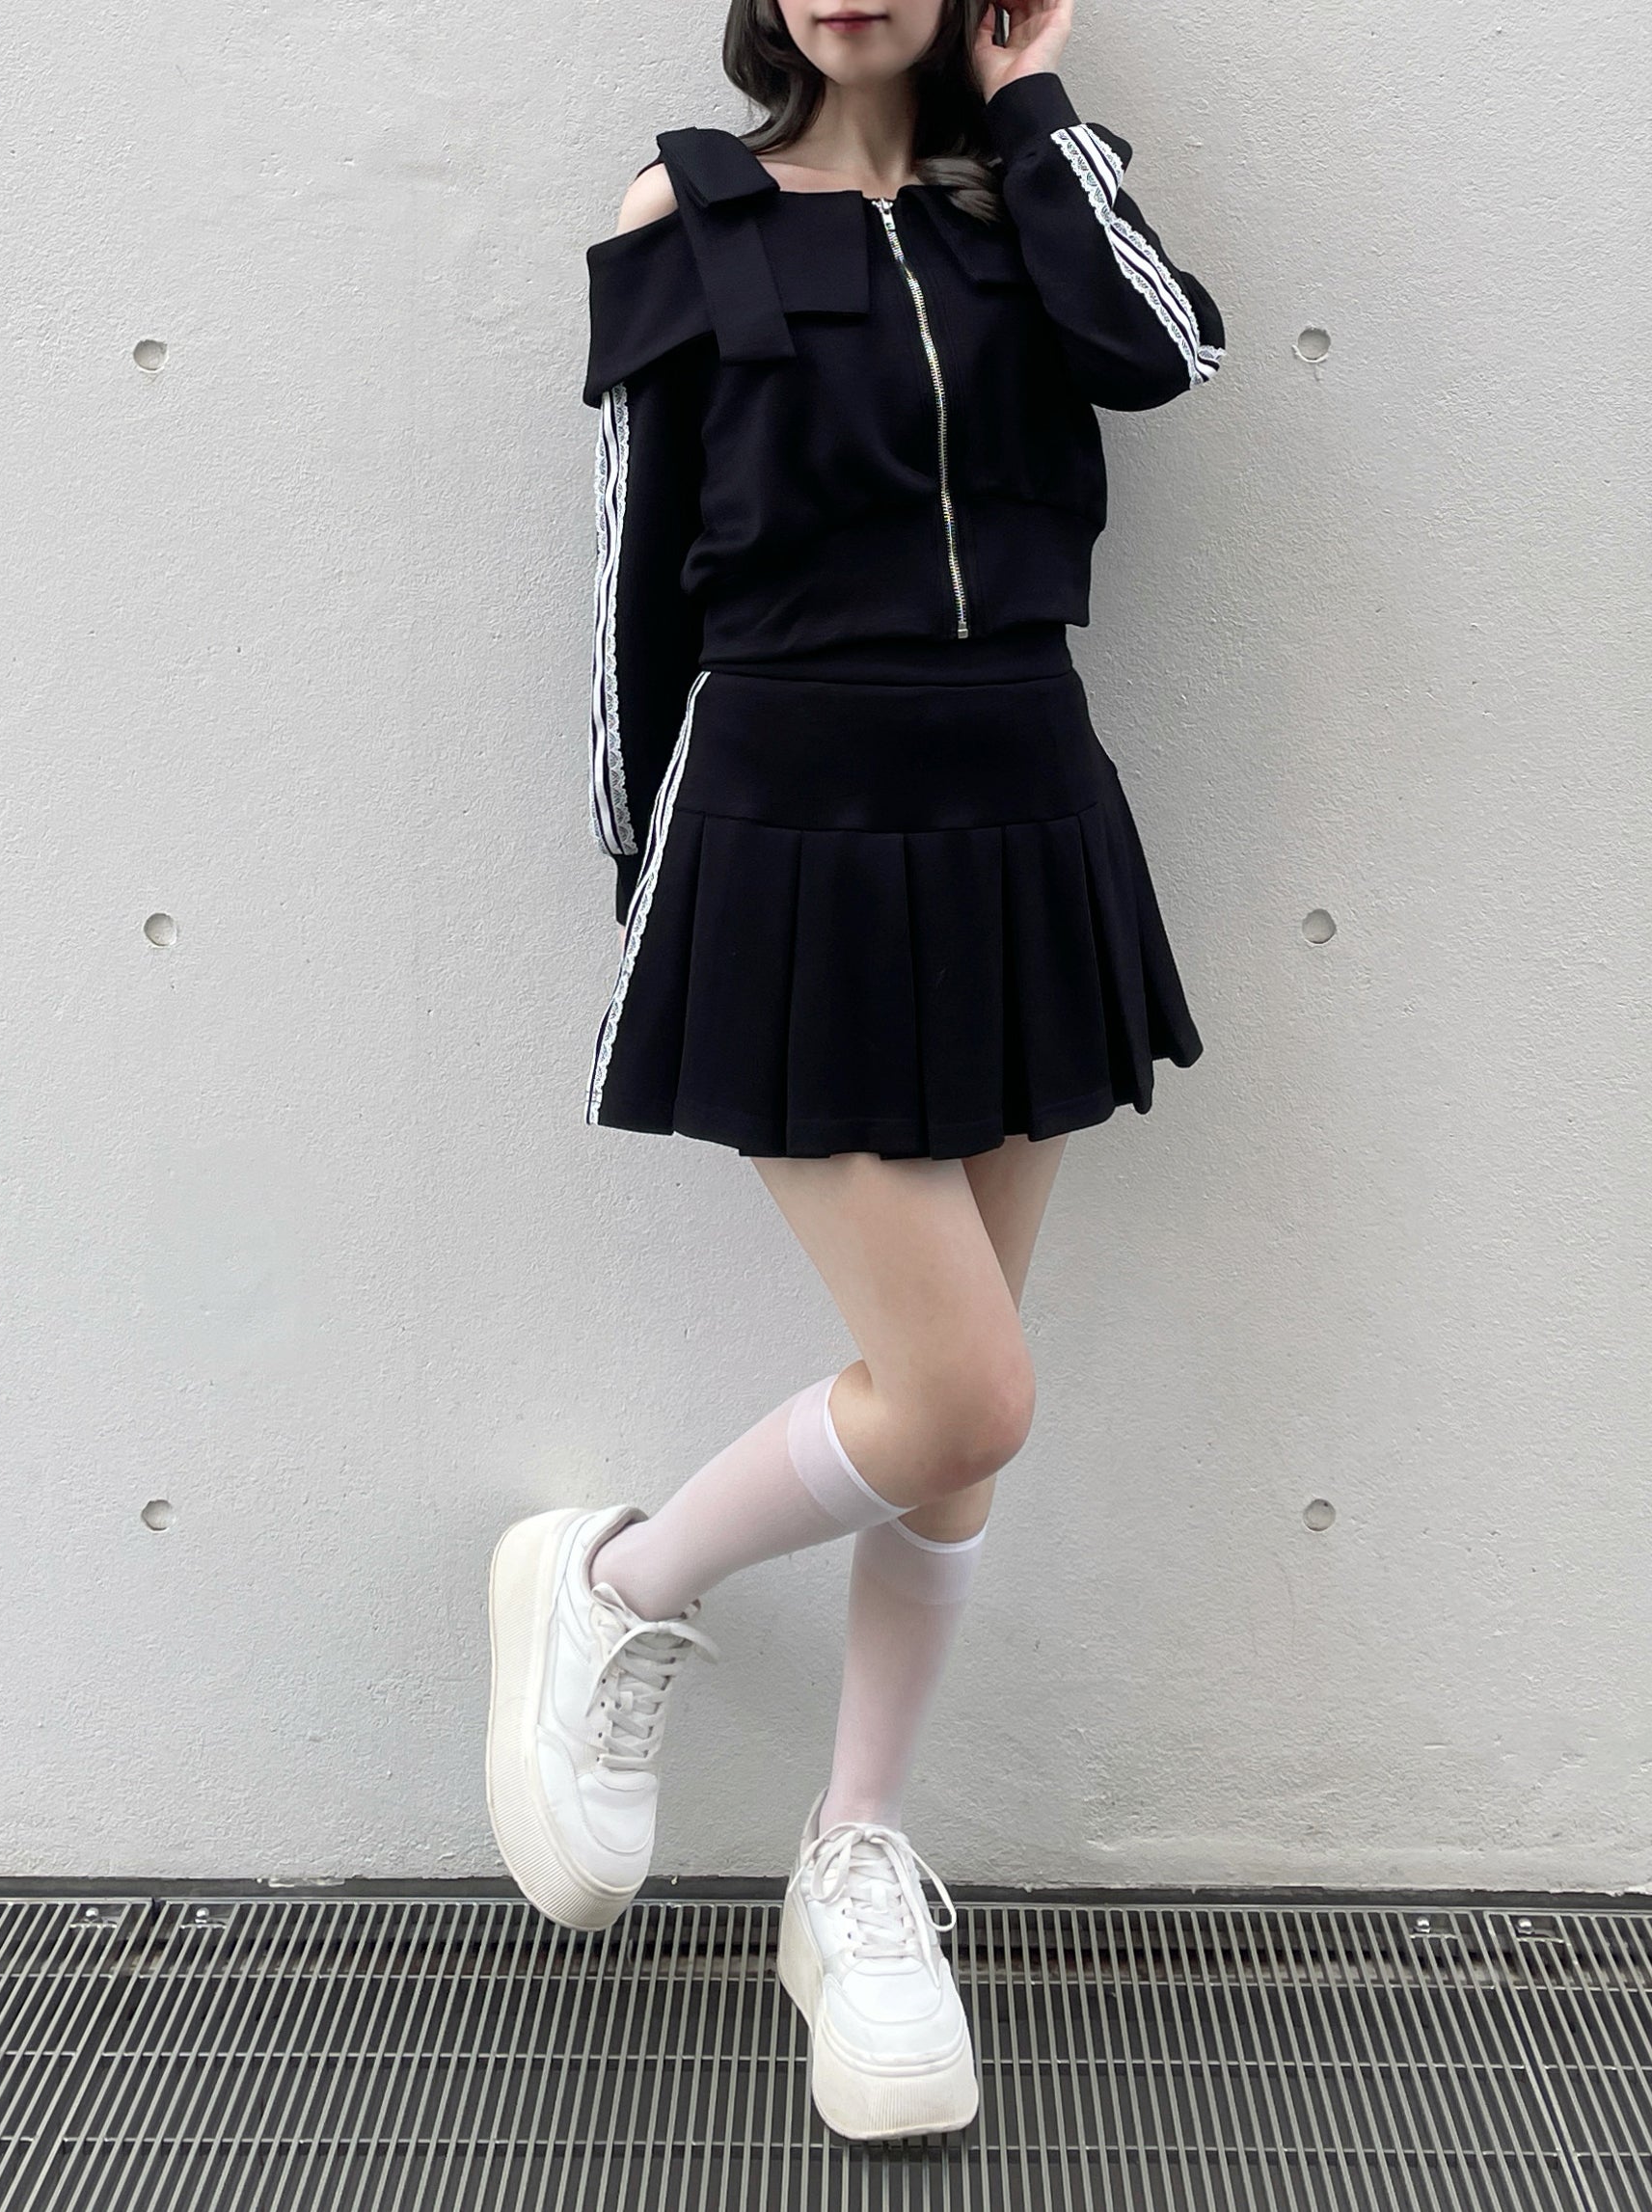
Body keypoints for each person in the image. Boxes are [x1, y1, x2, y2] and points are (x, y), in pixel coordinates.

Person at [486, 0, 1224, 2143]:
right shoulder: (688, 211)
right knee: (964, 1388)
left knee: (951, 1431)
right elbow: (632, 585)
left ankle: (855, 1861)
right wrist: (659, 886)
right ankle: (612, 1587)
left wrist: (1032, 97)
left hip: (1021, 814)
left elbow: (1160, 354)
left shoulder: (1040, 202)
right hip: (784, 824)